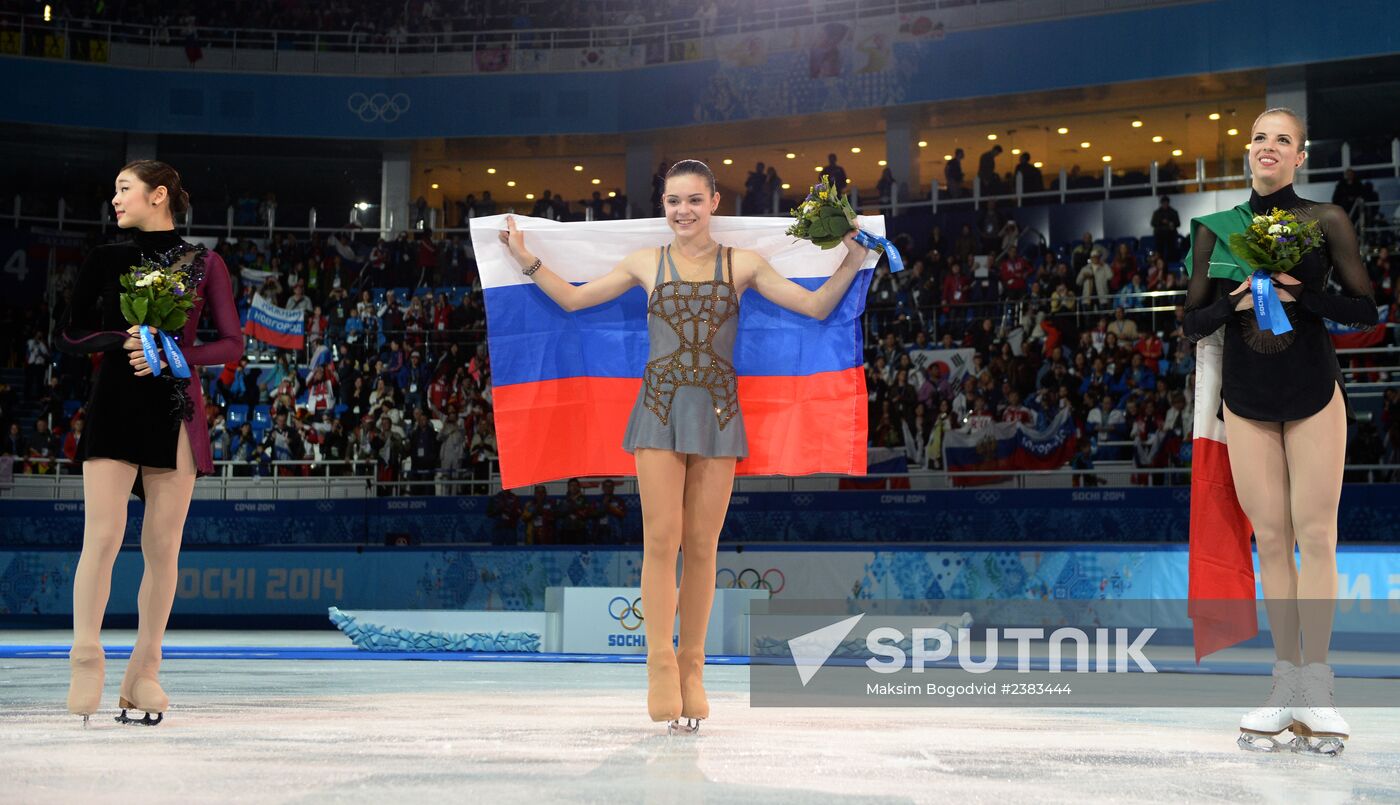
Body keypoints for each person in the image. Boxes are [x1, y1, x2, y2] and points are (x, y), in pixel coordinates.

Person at [499, 159, 868, 732]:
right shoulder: (646, 262)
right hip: (659, 411)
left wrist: (852, 258)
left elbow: (816, 307)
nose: (682, 211)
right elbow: (574, 301)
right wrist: (526, 260)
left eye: (694, 200)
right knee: (661, 540)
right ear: (663, 205)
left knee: (701, 546)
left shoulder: (743, 264)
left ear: (715, 202)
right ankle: (660, 665)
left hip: (720, 415)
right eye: (673, 201)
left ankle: (693, 668)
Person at [1182, 108, 1377, 755]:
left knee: (1316, 535)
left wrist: (1302, 293)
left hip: (1313, 394)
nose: (1270, 147)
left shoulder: (1326, 220)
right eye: (1261, 138)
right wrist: (1238, 299)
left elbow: (1365, 307)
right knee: (1270, 537)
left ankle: (1316, 687)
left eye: (1283, 140)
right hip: (1246, 399)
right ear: (1249, 154)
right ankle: (1284, 684)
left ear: (1300, 156)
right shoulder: (1215, 229)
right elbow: (1191, 321)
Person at [54, 161, 243, 726]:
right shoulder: (104, 258)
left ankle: (144, 673)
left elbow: (232, 343)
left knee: (163, 549)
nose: (114, 198)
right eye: (114, 189)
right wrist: (126, 337)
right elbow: (68, 333)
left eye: (124, 188)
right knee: (104, 537)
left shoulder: (205, 262)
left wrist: (180, 355)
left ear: (158, 196)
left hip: (175, 410)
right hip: (115, 402)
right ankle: (86, 656)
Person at [1151, 195, 1181, 262]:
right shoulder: (1157, 213)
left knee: (1172, 251)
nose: (1165, 204)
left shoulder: (1173, 212)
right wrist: (1161, 222)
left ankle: (1172, 263)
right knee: (1159, 251)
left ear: (1168, 203)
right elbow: (1153, 223)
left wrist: (1171, 223)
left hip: (1171, 236)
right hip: (1160, 236)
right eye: (1163, 203)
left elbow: (1178, 223)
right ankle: (1160, 263)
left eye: (1166, 202)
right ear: (1161, 203)